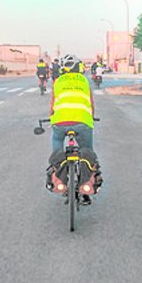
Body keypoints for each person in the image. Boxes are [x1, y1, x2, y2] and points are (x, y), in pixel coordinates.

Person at [48, 54, 101, 204]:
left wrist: (52, 118)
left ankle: (59, 174)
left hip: (60, 123)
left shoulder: (57, 82)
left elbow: (52, 107)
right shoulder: (84, 81)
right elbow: (91, 105)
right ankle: (86, 187)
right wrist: (91, 118)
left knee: (57, 143)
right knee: (87, 152)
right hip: (82, 122)